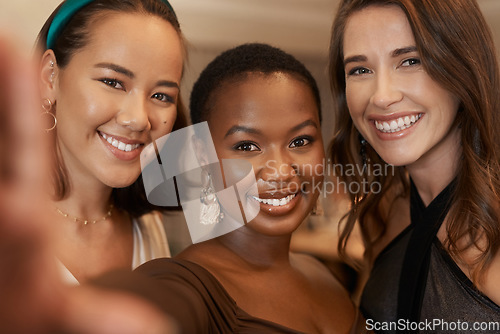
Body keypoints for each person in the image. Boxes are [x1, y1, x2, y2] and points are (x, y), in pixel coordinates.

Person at [95, 43, 359, 333]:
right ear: (203, 154)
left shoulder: (323, 274)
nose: (281, 170)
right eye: (247, 146)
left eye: (300, 141)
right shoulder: (183, 285)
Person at [328, 0, 500, 331]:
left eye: (410, 61)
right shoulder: (386, 210)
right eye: (360, 70)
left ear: (464, 68)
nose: (381, 96)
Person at [35, 0, 185, 284]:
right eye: (113, 82)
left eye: (161, 96)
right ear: (50, 77)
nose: (140, 119)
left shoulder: (148, 227)